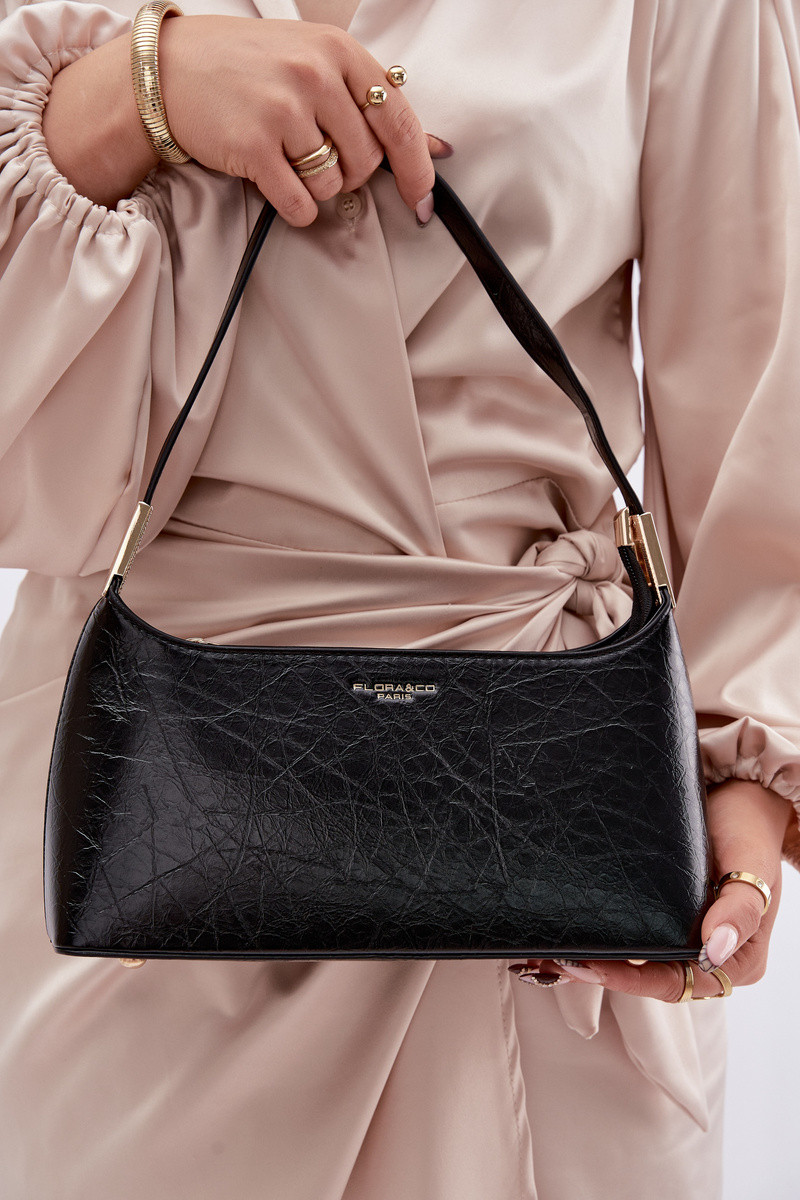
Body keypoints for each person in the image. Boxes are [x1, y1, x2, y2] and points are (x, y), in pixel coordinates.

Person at [0, 0, 798, 1195]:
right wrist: (136, 92)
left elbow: (759, 387)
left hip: (545, 814)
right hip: (154, 816)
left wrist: (748, 768)